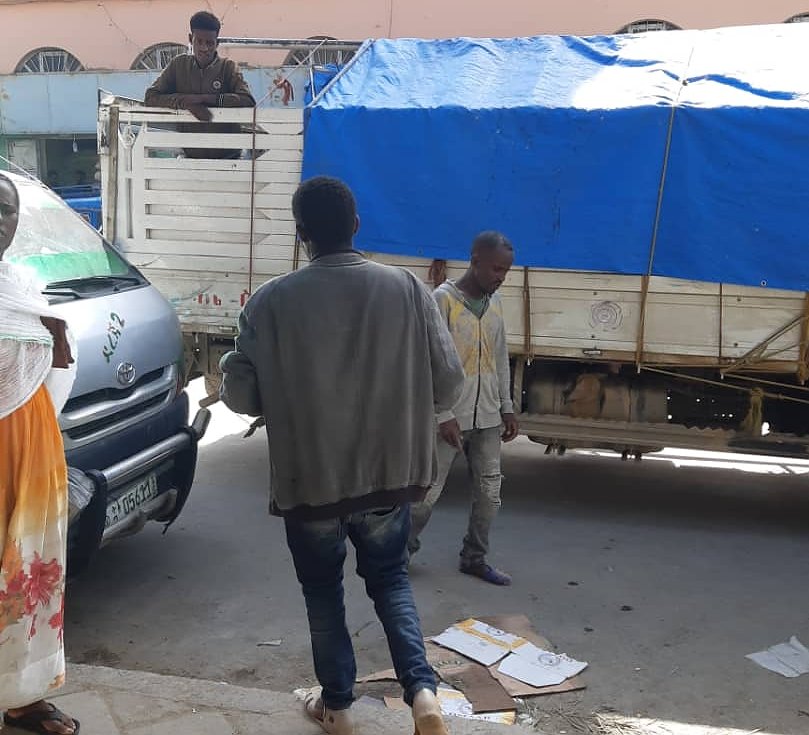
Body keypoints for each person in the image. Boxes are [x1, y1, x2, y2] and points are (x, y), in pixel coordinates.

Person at [220, 176, 464, 735]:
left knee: (323, 592)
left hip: (312, 482)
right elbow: (449, 382)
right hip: (389, 475)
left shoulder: (269, 301)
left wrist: (235, 365)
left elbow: (243, 398)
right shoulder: (407, 289)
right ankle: (423, 694)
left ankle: (338, 706)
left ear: (300, 233)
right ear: (356, 225)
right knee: (391, 581)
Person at [0, 173, 78, 734]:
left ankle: (22, 697)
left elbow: (56, 367)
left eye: (6, 211)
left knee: (29, 573)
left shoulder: (22, 285)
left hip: (32, 448)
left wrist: (57, 337)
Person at [408, 231, 519, 586]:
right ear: (474, 261)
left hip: (487, 417)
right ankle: (397, 556)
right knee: (425, 495)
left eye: (506, 271)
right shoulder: (442, 301)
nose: (501, 277)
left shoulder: (495, 303)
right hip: (449, 418)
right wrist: (442, 415)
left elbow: (500, 358)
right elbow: (427, 363)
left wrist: (506, 407)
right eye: (496, 269)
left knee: (489, 494)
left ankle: (474, 557)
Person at [144, 10, 256, 159]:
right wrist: (186, 103)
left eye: (210, 43)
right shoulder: (179, 65)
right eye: (199, 42)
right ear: (191, 39)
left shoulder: (228, 67)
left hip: (230, 158)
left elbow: (248, 100)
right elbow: (151, 97)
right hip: (190, 158)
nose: (204, 48)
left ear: (217, 43)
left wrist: (204, 99)